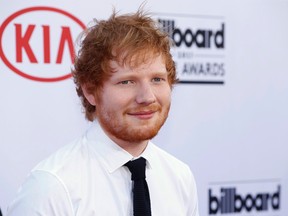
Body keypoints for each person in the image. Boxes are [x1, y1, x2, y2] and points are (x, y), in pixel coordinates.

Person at [7, 7, 199, 216]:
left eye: (157, 79)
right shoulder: (51, 189)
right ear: (90, 91)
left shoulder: (180, 177)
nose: (147, 97)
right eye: (127, 81)